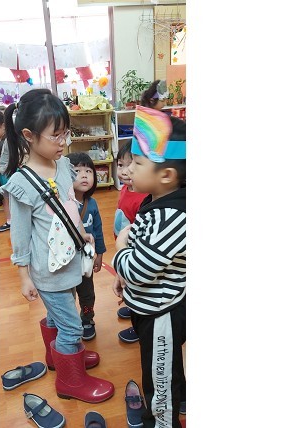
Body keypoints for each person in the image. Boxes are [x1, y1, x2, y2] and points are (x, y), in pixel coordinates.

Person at [0, 89, 114, 404]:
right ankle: (70, 380)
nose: (64, 142)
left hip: (70, 259)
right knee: (72, 326)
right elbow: (20, 234)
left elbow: (70, 204)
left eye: (66, 133)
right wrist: (24, 276)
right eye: (56, 135)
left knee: (59, 316)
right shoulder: (22, 184)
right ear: (28, 135)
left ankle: (58, 356)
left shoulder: (62, 165)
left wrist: (83, 233)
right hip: (48, 271)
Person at [112, 105, 186, 427]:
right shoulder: (156, 201)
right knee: (165, 367)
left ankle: (163, 421)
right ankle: (179, 397)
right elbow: (144, 256)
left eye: (138, 163)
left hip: (161, 313)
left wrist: (120, 252)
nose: (129, 169)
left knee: (159, 382)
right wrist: (126, 275)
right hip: (150, 306)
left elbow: (139, 270)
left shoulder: (170, 216)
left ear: (166, 176)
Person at [65, 152, 106, 341]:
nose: (84, 175)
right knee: (67, 294)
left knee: (87, 293)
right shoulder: (62, 203)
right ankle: (68, 321)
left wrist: (100, 254)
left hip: (86, 261)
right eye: (77, 171)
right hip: (66, 260)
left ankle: (87, 319)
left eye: (88, 171)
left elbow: (98, 230)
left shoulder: (92, 203)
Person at [113, 139, 148, 343]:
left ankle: (138, 326)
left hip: (133, 253)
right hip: (123, 247)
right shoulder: (125, 189)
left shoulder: (144, 197)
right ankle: (130, 304)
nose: (125, 171)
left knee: (135, 285)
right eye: (120, 165)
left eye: (131, 164)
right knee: (126, 284)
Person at [0, 110, 11, 232]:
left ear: (4, 126)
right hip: (1, 175)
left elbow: (16, 161)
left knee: (9, 200)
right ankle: (10, 220)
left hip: (7, 175)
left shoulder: (8, 141)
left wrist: (1, 169)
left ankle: (11, 221)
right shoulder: (0, 140)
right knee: (5, 200)